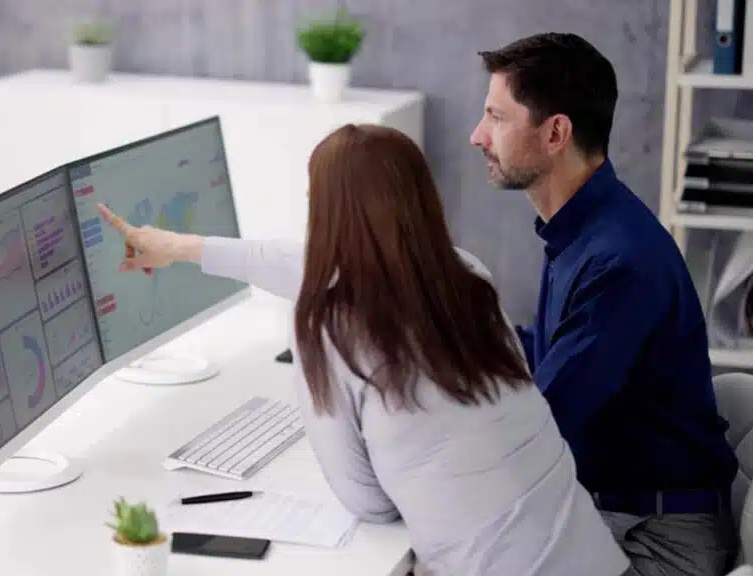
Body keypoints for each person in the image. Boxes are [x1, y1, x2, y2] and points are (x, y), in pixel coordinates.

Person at [96, 123, 630, 575]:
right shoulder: (467, 276)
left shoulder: (328, 328)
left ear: (326, 214)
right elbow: (312, 263)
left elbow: (369, 504)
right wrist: (185, 248)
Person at [469, 32, 739, 575]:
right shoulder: (583, 229)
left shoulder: (617, 261)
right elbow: (547, 356)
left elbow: (542, 427)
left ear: (555, 133)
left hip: (657, 544)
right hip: (618, 515)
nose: (478, 136)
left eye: (496, 117)